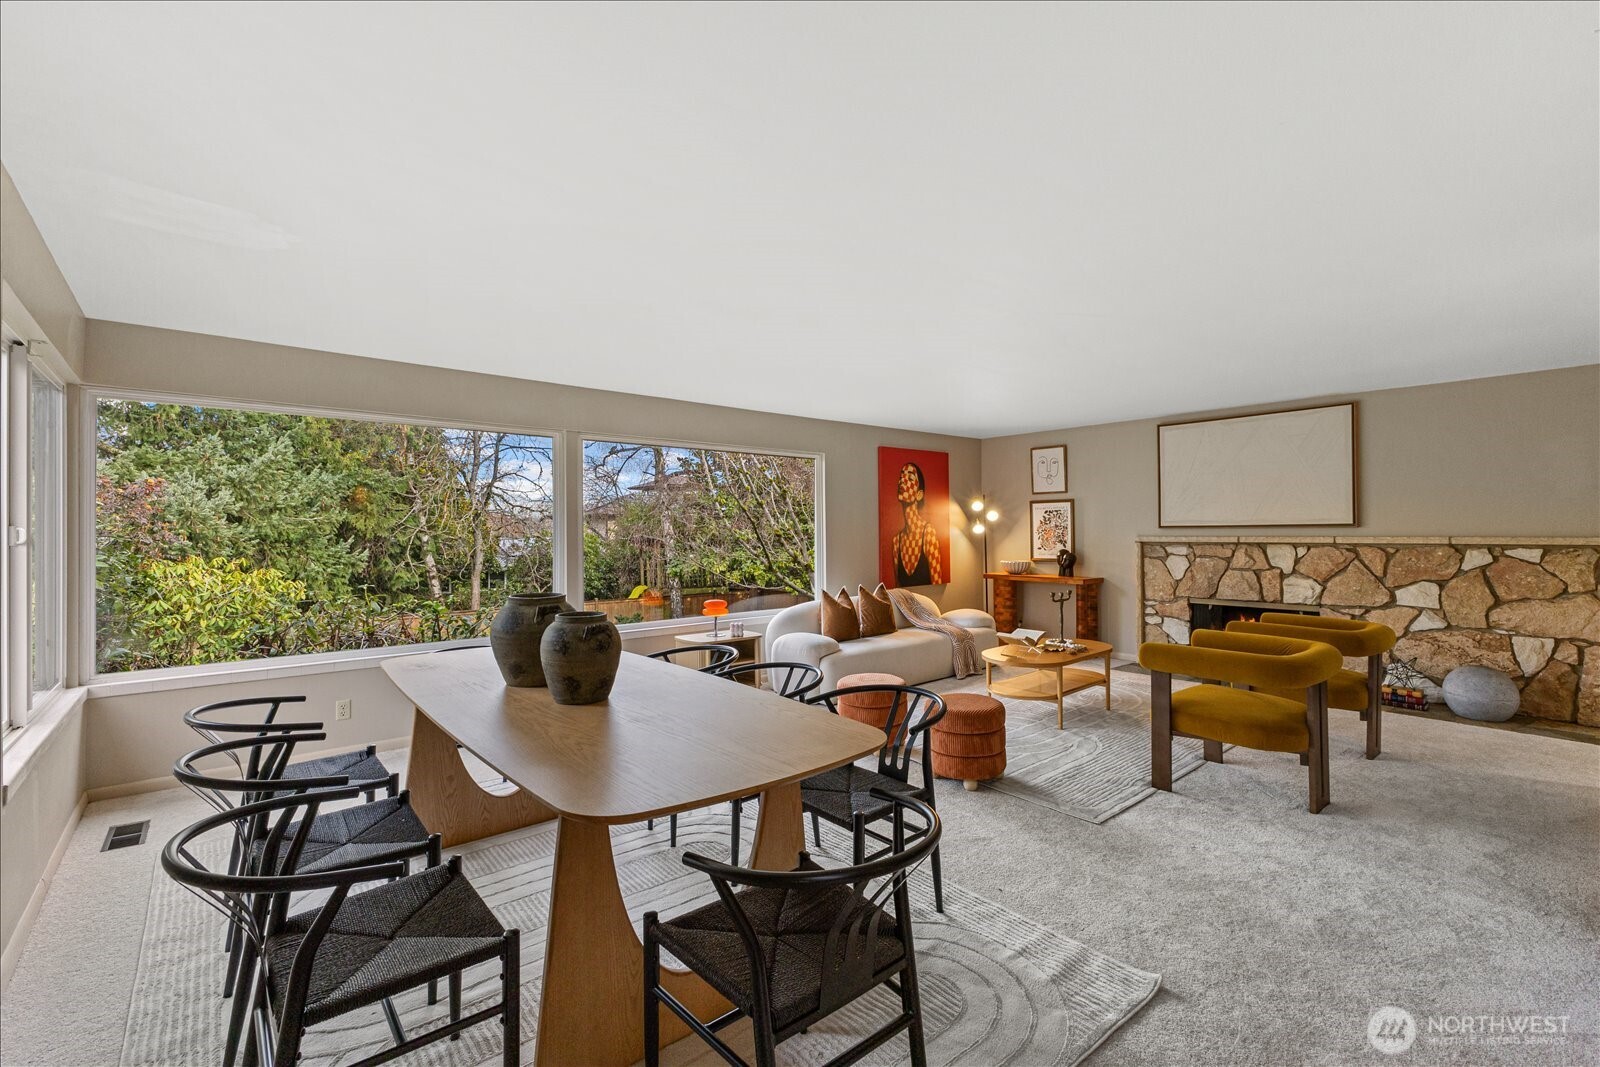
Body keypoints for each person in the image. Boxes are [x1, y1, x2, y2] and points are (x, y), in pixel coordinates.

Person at [892, 462, 942, 586]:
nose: (902, 481)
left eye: (910, 478)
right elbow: (897, 589)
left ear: (919, 494)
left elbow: (937, 582)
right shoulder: (896, 541)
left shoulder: (928, 533)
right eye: (901, 477)